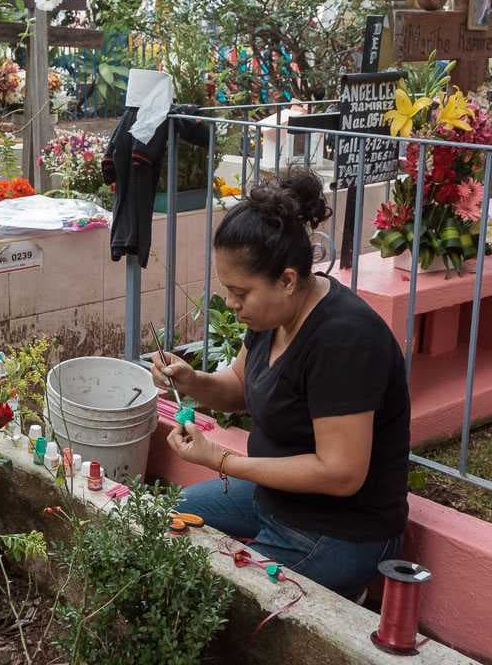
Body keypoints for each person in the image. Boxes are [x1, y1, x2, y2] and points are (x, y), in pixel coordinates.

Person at [151, 169, 409, 600]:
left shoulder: (343, 340)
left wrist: (219, 459)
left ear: (287, 280)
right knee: (164, 523)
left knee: (215, 598)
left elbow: (341, 473)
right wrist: (191, 379)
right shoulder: (273, 316)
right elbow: (238, 387)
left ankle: (344, 589)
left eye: (240, 292)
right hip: (274, 498)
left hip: (340, 531)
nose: (231, 304)